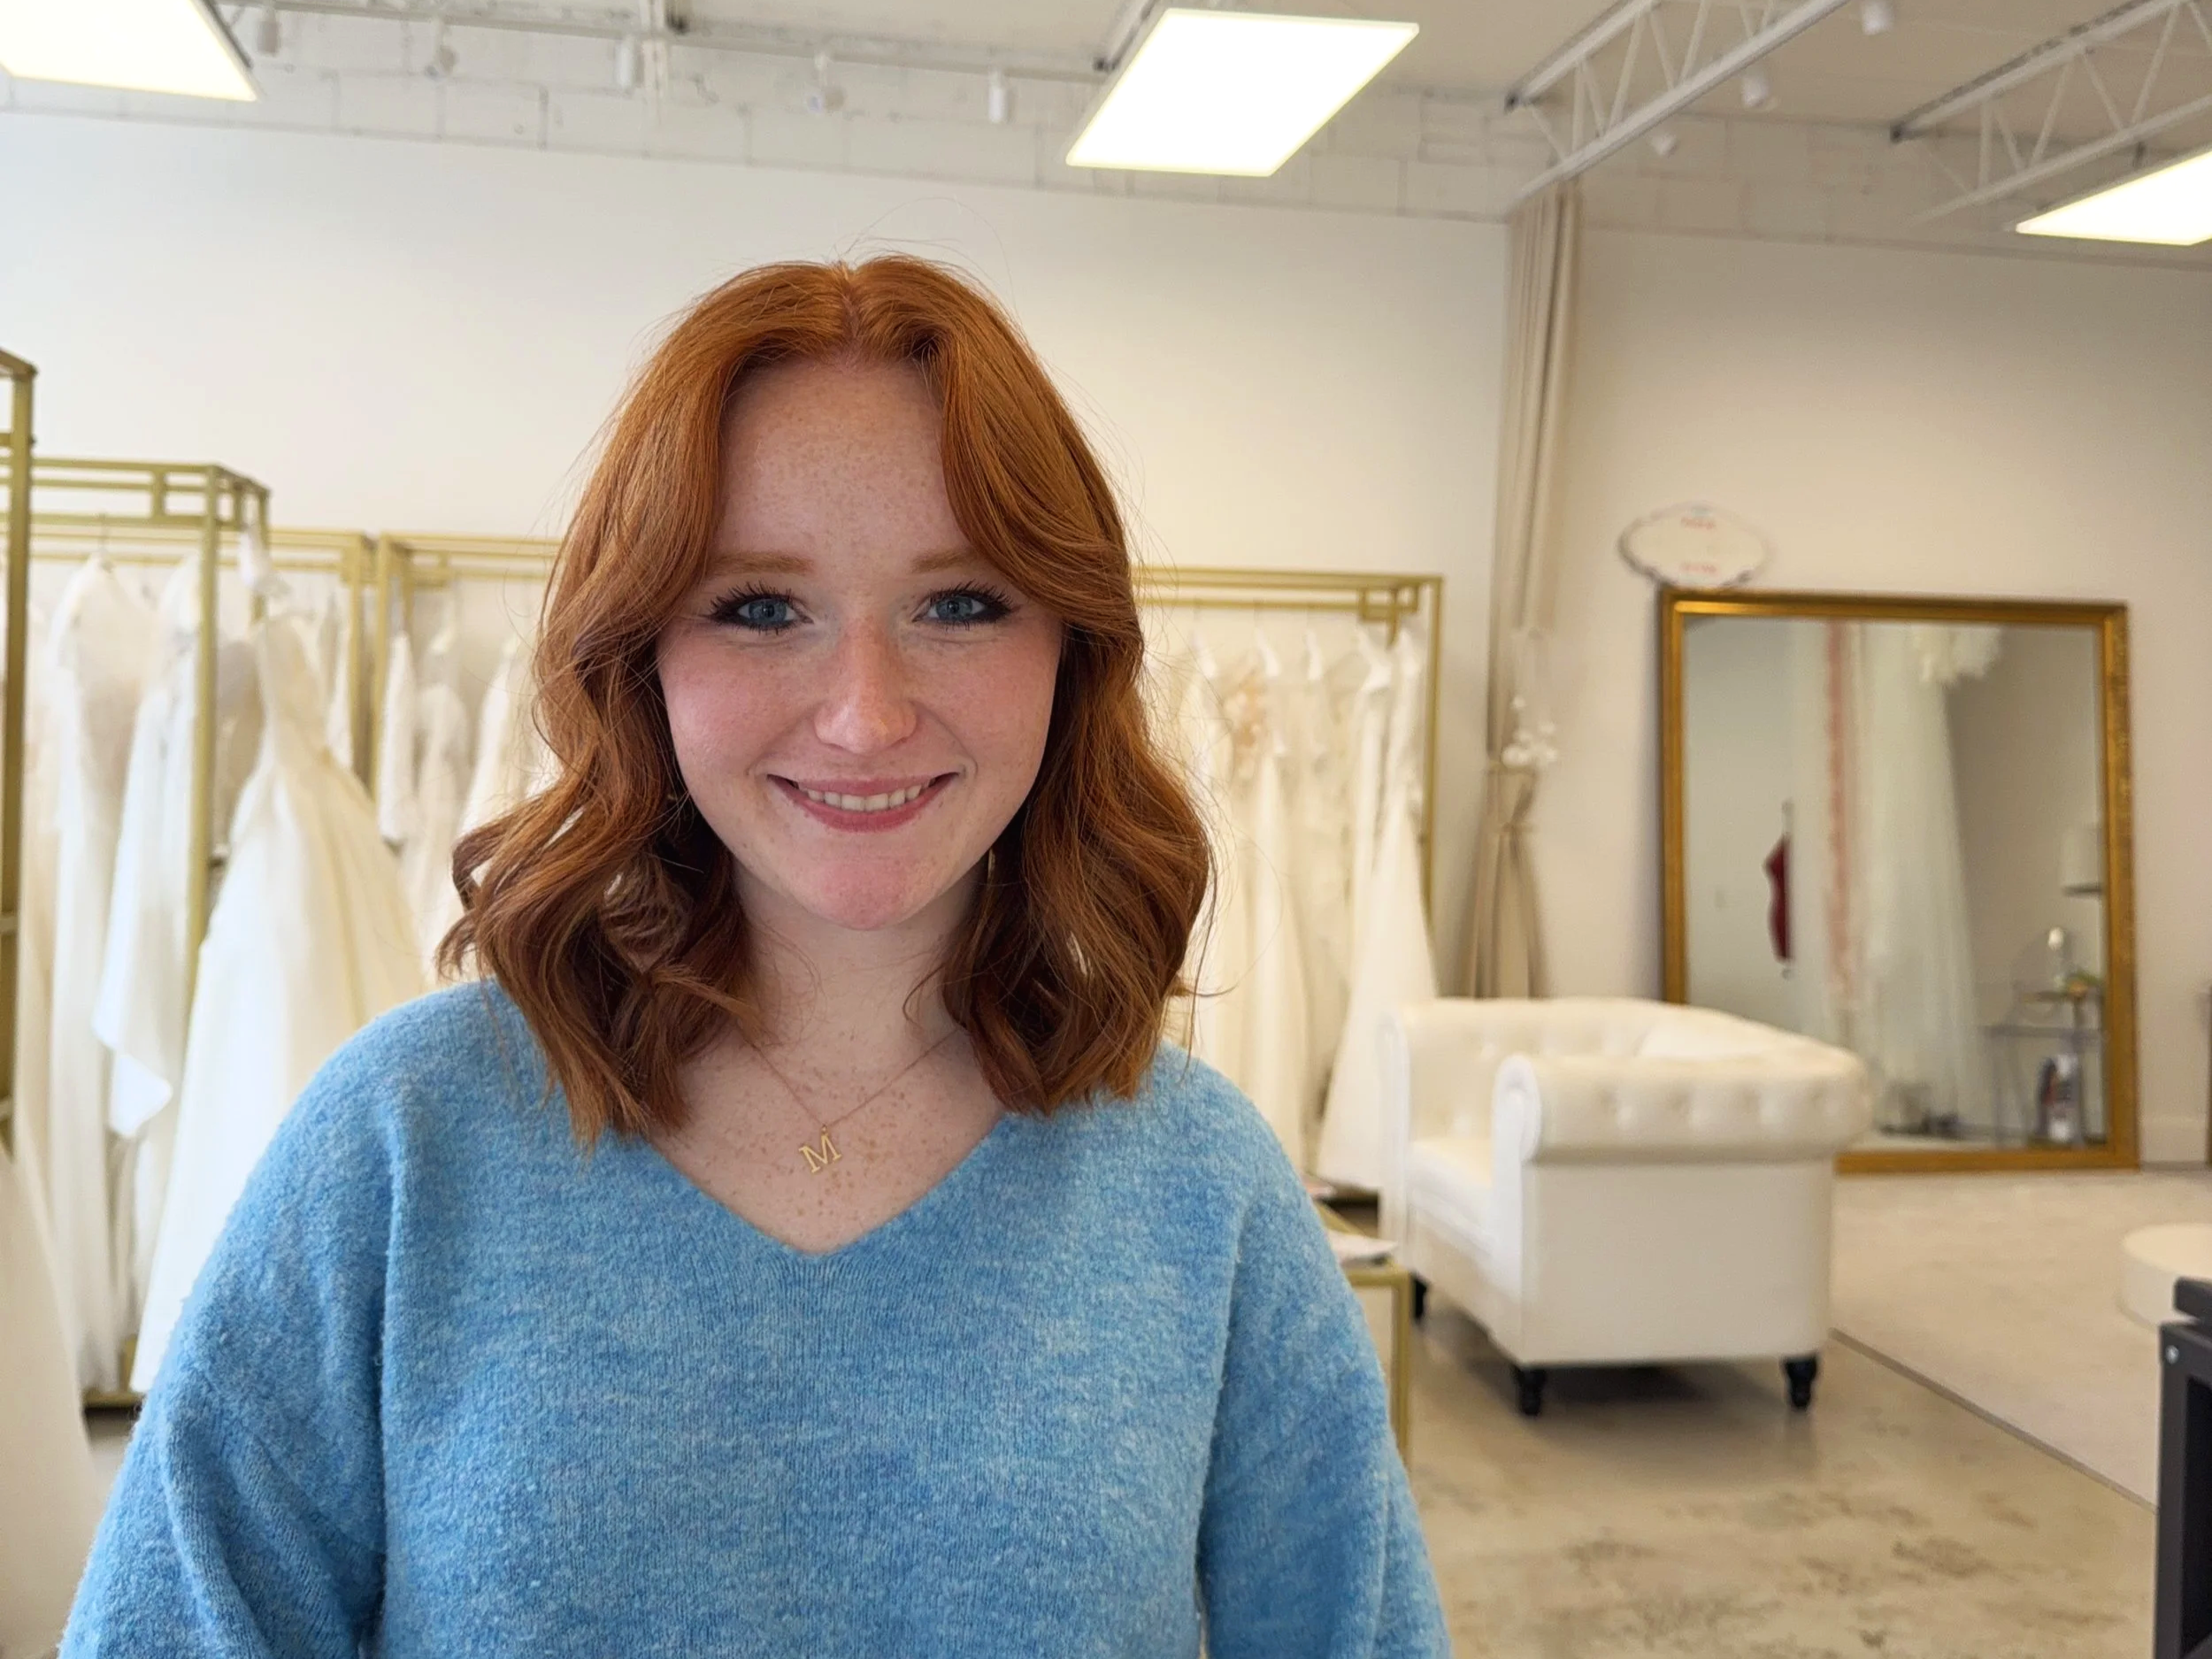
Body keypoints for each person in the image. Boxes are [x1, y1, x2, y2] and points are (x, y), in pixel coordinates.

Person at [64, 255, 1446, 1656]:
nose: (865, 714)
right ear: (643, 652)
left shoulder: (1203, 1188)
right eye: (761, 608)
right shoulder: (406, 1144)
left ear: (1069, 651)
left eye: (962, 602)